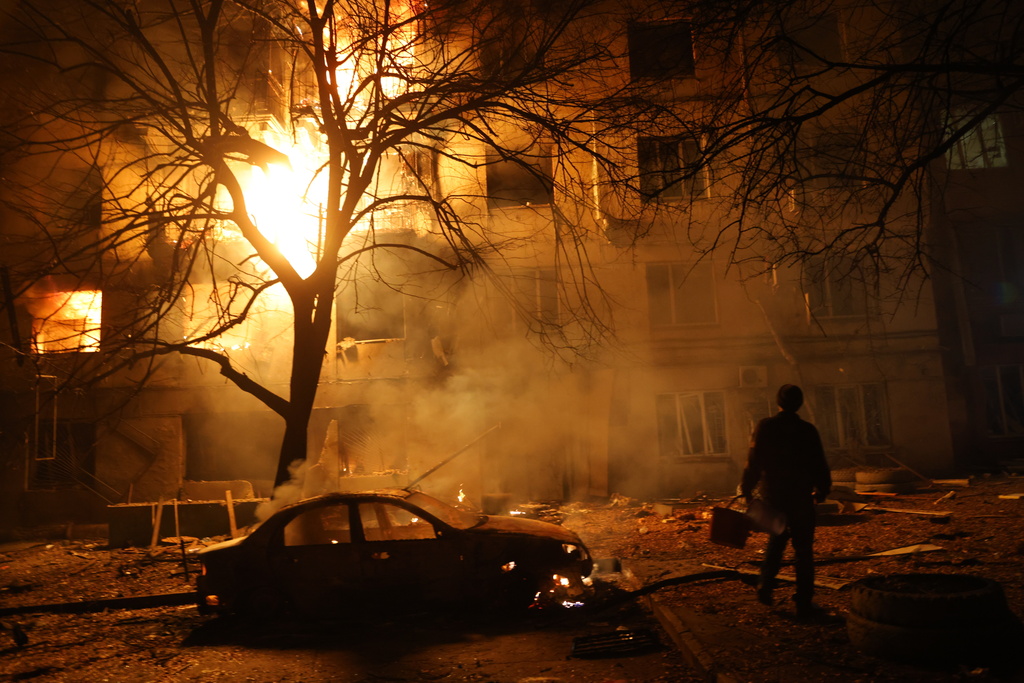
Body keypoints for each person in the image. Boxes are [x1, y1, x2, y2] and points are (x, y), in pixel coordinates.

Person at [741, 384, 831, 619]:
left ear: (778, 402)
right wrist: (822, 490)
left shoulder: (766, 427)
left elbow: (753, 461)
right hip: (800, 496)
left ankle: (765, 586)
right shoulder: (807, 430)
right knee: (803, 550)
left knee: (776, 541)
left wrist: (747, 489)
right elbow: (819, 463)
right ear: (799, 404)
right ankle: (803, 602)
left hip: (774, 495)